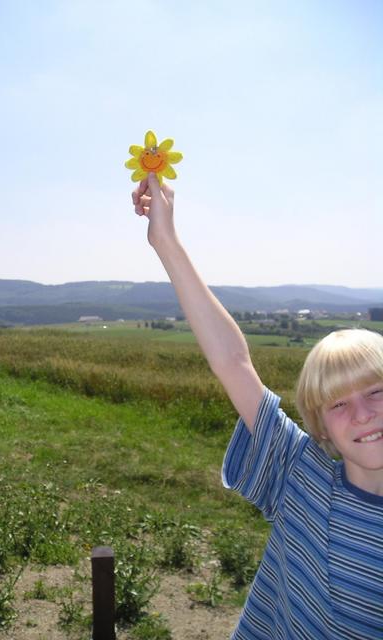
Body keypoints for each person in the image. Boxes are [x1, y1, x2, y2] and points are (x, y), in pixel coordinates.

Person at [132, 173, 383, 640]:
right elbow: (233, 362)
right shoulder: (299, 474)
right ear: (320, 429)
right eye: (338, 403)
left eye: (375, 391)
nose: (363, 414)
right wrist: (165, 240)